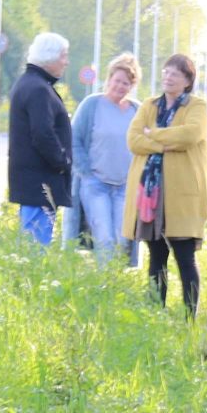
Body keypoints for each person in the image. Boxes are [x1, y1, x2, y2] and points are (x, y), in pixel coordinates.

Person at [123, 53, 207, 315]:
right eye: (166, 72)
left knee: (185, 257)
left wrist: (154, 135)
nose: (168, 77)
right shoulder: (149, 105)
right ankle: (154, 314)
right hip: (151, 194)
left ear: (187, 80)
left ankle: (188, 319)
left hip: (182, 196)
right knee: (156, 257)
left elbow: (190, 135)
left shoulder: (196, 106)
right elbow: (134, 140)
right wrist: (166, 144)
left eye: (175, 74)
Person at [65, 52, 140, 263]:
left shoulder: (137, 110)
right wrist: (86, 173)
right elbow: (74, 139)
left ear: (131, 86)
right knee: (104, 237)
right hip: (96, 183)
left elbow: (146, 141)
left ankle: (114, 281)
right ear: (108, 80)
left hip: (125, 185)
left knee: (122, 238)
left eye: (125, 83)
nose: (120, 86)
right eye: (117, 81)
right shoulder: (92, 105)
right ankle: (104, 285)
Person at [7, 32, 73, 246]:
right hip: (39, 181)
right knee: (35, 246)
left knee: (32, 243)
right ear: (50, 57)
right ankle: (27, 280)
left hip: (32, 179)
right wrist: (63, 162)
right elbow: (43, 134)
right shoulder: (38, 89)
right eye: (64, 56)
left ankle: (26, 277)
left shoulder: (31, 83)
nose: (66, 62)